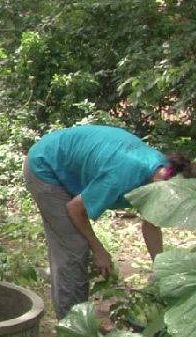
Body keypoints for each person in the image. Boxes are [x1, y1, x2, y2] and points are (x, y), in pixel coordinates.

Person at [24, 124, 195, 319]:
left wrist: (160, 270)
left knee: (77, 250)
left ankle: (74, 302)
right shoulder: (123, 174)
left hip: (68, 163)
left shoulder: (162, 169)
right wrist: (99, 250)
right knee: (74, 247)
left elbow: (151, 225)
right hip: (45, 166)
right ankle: (72, 327)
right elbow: (75, 209)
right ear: (164, 179)